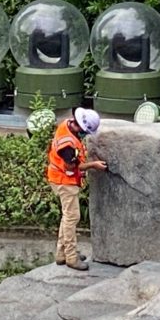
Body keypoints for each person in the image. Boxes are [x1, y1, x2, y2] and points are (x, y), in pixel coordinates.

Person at [47, 107, 107, 270]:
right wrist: (94, 165)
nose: (84, 135)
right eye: (85, 131)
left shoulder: (66, 124)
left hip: (59, 176)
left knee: (67, 216)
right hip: (64, 180)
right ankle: (71, 258)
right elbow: (75, 166)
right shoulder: (67, 147)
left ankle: (62, 254)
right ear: (79, 126)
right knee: (72, 218)